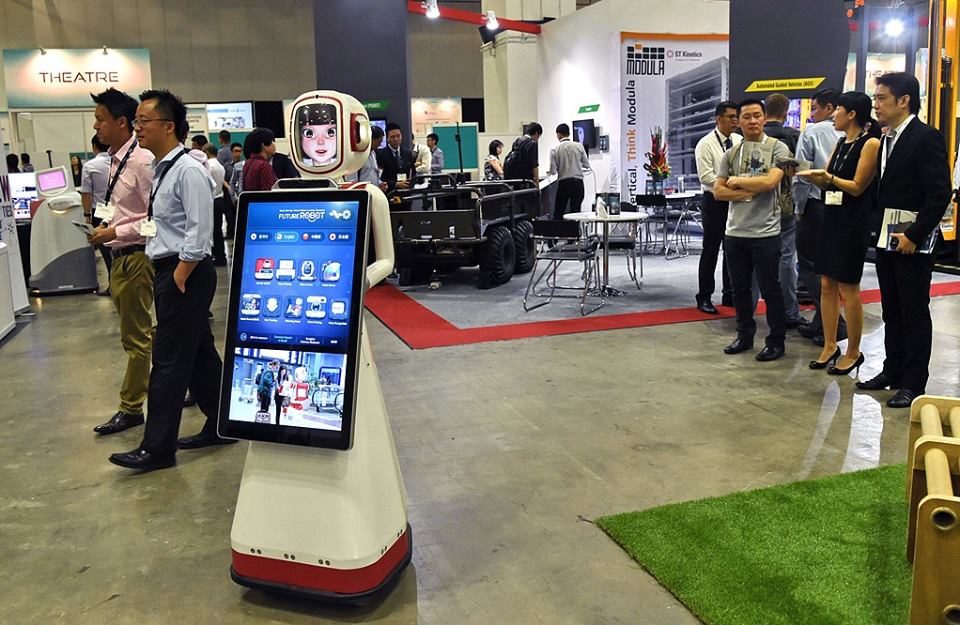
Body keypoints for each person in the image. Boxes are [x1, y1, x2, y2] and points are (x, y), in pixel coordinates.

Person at [108, 88, 235, 472]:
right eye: (136, 121)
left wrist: (179, 275)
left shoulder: (187, 170)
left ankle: (157, 448)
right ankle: (222, 424)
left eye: (143, 121)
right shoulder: (162, 169)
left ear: (168, 126)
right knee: (198, 355)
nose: (137, 128)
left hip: (185, 273)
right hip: (169, 270)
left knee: (167, 362)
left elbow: (200, 230)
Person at [856, 73, 952, 408]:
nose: (876, 105)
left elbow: (939, 193)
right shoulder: (886, 138)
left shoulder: (926, 137)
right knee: (891, 310)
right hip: (887, 238)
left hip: (913, 243)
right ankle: (892, 370)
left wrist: (914, 234)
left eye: (881, 98)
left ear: (904, 100)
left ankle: (913, 383)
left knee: (913, 313)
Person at [86, 88, 156, 437]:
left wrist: (115, 230)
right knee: (143, 332)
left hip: (136, 257)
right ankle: (183, 385)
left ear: (121, 122)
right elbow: (123, 207)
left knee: (136, 338)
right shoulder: (116, 159)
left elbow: (154, 219)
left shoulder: (142, 161)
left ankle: (131, 408)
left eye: (101, 119)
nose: (95, 126)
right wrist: (105, 226)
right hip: (119, 257)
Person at [797, 91, 881, 377]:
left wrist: (828, 177)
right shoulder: (841, 142)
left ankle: (853, 351)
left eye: (838, 110)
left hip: (853, 222)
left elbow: (857, 186)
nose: (834, 116)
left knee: (849, 287)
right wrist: (816, 178)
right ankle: (830, 344)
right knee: (826, 284)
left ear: (852, 114)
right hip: (830, 217)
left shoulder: (870, 143)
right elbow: (829, 181)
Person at [713, 98, 790, 362]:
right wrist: (746, 191)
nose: (752, 121)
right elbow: (718, 191)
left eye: (757, 115)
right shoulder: (731, 153)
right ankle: (744, 335)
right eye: (746, 117)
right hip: (735, 233)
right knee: (740, 290)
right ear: (739, 122)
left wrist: (736, 181)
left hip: (765, 233)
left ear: (765, 117)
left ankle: (776, 341)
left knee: (771, 289)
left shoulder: (778, 148)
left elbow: (771, 182)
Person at [795, 88, 847, 346]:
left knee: (809, 267)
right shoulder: (854, 134)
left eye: (814, 108)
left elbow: (802, 175)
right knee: (830, 267)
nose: (811, 114)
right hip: (843, 207)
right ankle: (821, 322)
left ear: (829, 108)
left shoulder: (812, 132)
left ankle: (835, 323)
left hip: (816, 206)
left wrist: (798, 209)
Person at [694, 101, 741, 313]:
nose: (735, 121)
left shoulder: (739, 140)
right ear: (718, 119)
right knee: (711, 250)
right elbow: (706, 177)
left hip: (735, 201)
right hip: (714, 201)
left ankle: (729, 294)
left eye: (736, 117)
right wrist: (732, 183)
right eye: (731, 117)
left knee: (732, 250)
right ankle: (704, 297)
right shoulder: (705, 144)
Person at [762, 93, 802, 328]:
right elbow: (801, 172)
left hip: (756, 205)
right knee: (787, 259)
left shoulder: (752, 137)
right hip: (786, 205)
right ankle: (789, 312)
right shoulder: (794, 137)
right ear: (786, 112)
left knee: (755, 262)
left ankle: (748, 311)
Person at [79, 134, 113, 296]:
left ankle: (113, 284)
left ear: (94, 147)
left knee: (105, 251)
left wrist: (87, 216)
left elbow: (86, 193)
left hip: (100, 213)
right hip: (119, 210)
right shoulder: (119, 162)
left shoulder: (90, 165)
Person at [547, 123, 591, 219]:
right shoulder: (579, 146)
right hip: (578, 182)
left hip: (564, 183)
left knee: (559, 211)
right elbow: (587, 165)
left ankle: (559, 229)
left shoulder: (554, 149)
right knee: (576, 212)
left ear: (558, 134)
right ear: (569, 133)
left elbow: (553, 171)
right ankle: (575, 229)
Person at [203, 143, 228, 266]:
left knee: (211, 231)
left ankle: (215, 256)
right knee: (217, 231)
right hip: (219, 199)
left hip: (211, 200)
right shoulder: (220, 166)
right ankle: (221, 256)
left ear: (207, 152)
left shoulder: (208, 166)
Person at [375, 122, 415, 191]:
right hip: (390, 192)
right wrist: (395, 184)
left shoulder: (408, 154)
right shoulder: (380, 155)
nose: (396, 139)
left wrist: (411, 182)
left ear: (401, 136)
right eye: (392, 137)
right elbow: (379, 178)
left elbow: (413, 172)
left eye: (398, 136)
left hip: (406, 191)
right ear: (387, 139)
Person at [242, 127, 278, 192]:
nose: (274, 144)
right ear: (263, 145)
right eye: (272, 141)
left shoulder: (248, 162)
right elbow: (269, 191)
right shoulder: (264, 165)